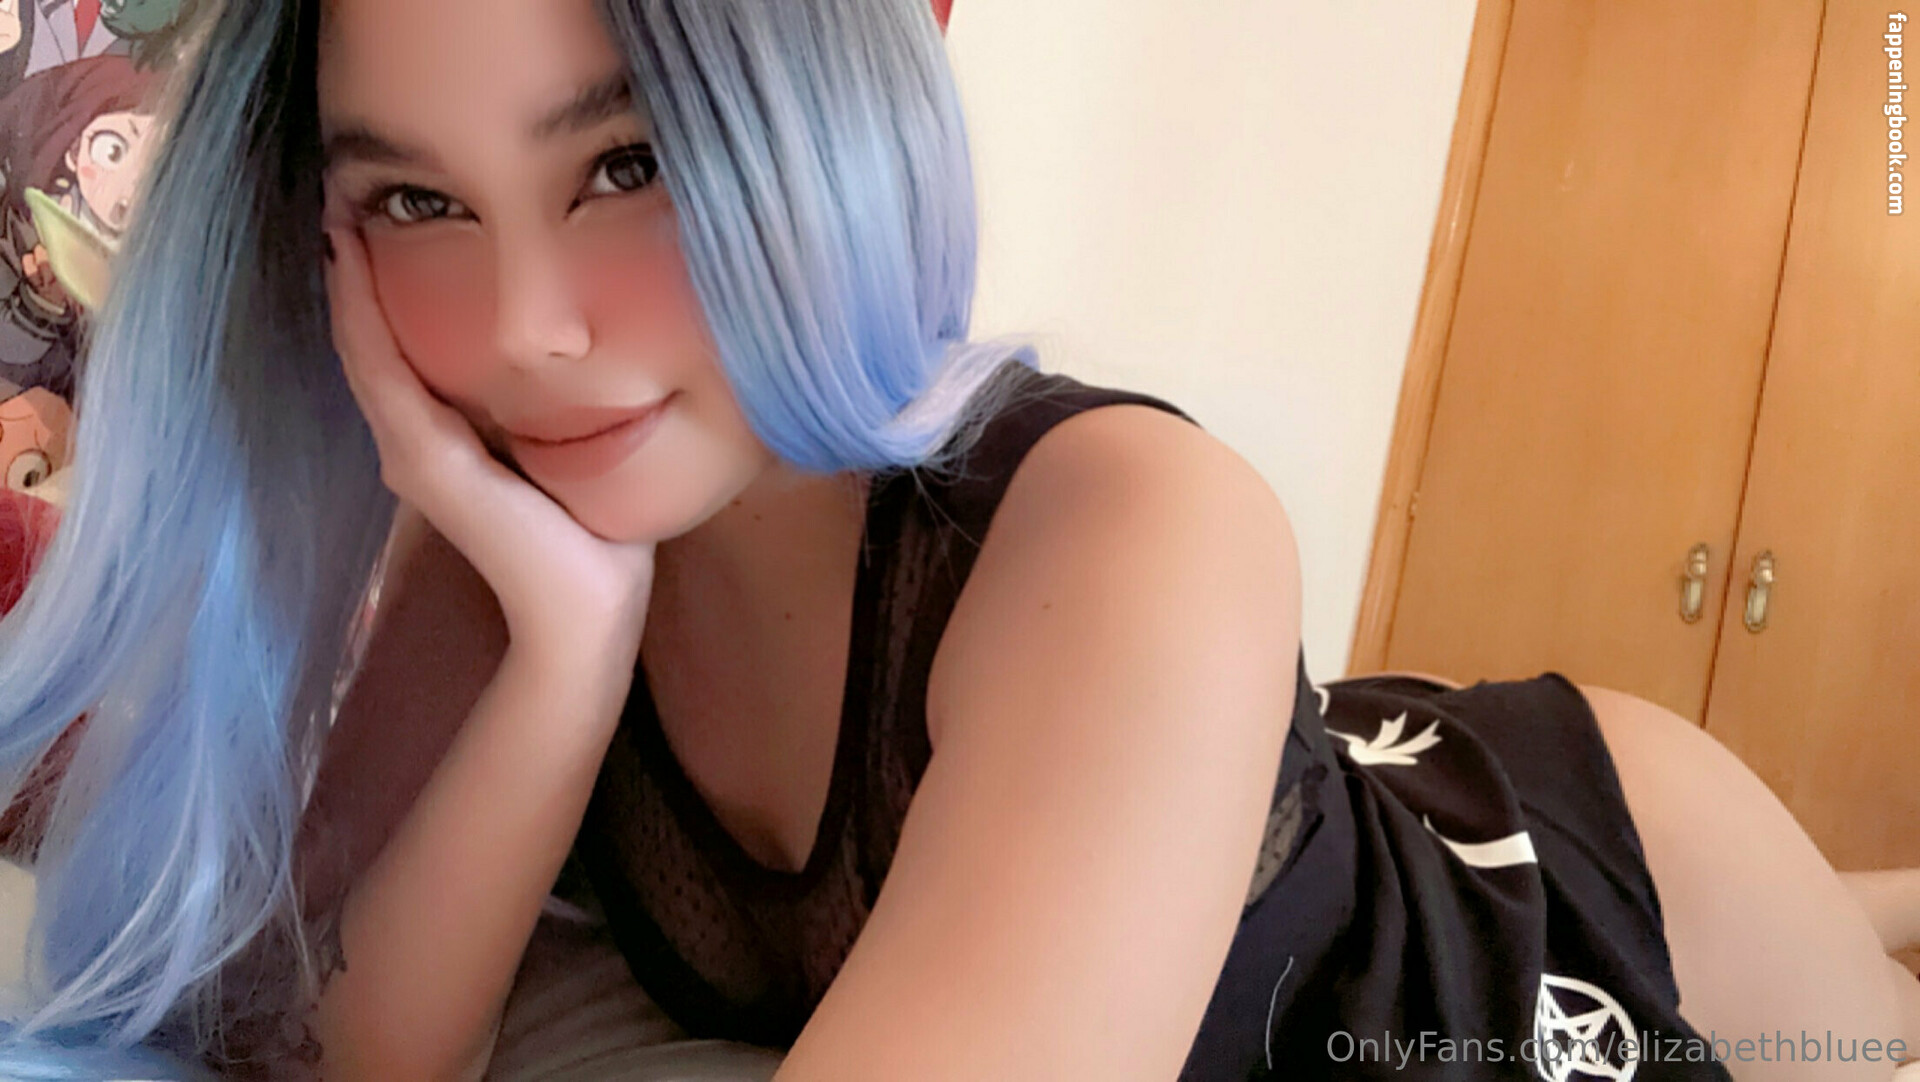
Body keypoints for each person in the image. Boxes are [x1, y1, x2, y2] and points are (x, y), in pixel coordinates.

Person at [0, 0, 1912, 1078]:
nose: (530, 330)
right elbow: (357, 1061)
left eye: (628, 164)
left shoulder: (1134, 528)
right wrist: (566, 664)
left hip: (1586, 878)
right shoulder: (525, 540)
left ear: (817, 130)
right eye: (419, 203)